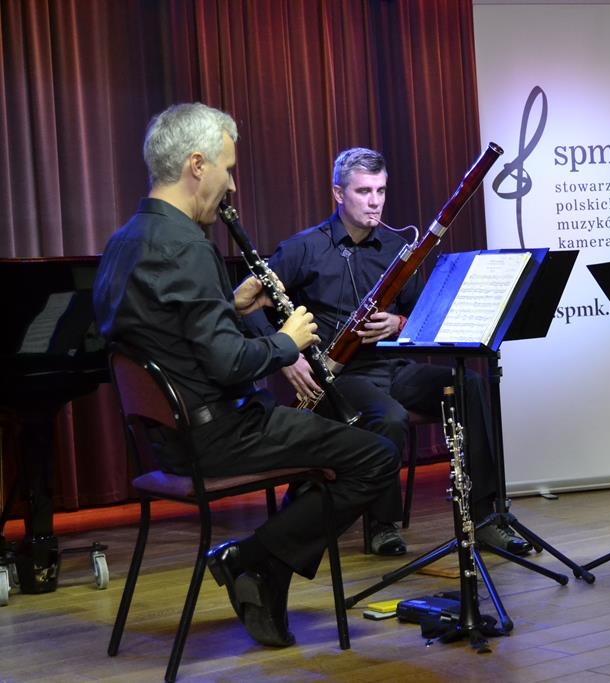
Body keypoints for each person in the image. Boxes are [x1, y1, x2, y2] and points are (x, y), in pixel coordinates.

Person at [93, 103, 398, 648]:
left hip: (170, 440)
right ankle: (252, 560)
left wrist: (228, 308)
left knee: (343, 448)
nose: (231, 185)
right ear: (197, 165)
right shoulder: (187, 246)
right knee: (376, 456)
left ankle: (262, 570)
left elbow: (173, 335)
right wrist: (287, 342)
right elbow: (228, 363)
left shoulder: (125, 241)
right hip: (219, 435)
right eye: (228, 169)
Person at [246, 146, 531, 556]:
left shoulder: (398, 248)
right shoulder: (303, 249)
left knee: (468, 385)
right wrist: (286, 355)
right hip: (339, 377)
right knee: (390, 417)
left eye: (380, 190)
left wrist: (397, 323)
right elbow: (247, 306)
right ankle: (383, 525)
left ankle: (485, 517)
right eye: (363, 191)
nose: (375, 201)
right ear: (338, 193)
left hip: (393, 367)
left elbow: (422, 316)